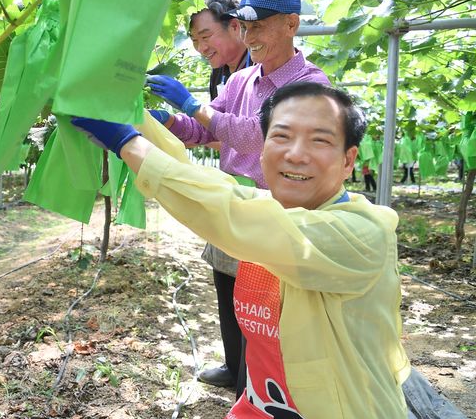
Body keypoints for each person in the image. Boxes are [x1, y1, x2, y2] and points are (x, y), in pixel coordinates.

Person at [71, 81, 411, 418]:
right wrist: (132, 115)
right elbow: (206, 183)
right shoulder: (275, 210)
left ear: (349, 160)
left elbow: (228, 211)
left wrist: (128, 143)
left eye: (319, 140)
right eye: (281, 136)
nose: (295, 153)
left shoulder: (362, 233)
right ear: (262, 149)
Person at [148, 0, 331, 392]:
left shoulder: (310, 83)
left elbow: (261, 135)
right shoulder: (240, 81)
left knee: (269, 306)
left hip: (280, 211)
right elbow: (201, 130)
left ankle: (267, 392)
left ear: (291, 24)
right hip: (234, 200)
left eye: (260, 27)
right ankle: (238, 374)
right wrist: (171, 121)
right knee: (230, 293)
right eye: (245, 28)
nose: (250, 37)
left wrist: (193, 105)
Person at [146, 0, 250, 390]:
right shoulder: (224, 73)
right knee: (224, 274)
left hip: (258, 192)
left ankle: (250, 380)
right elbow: (210, 130)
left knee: (252, 287)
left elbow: (242, 134)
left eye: (207, 35)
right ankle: (233, 364)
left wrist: (191, 109)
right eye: (194, 40)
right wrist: (169, 121)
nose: (201, 47)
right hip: (232, 186)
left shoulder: (263, 66)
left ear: (236, 26)